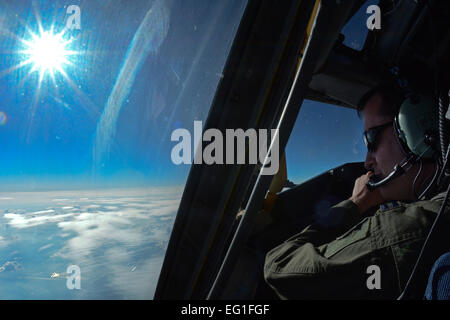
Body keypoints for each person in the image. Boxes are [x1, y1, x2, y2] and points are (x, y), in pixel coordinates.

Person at [263, 85, 449, 299]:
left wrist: (356, 203)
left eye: (371, 140)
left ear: (419, 133)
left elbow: (278, 267)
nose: (367, 162)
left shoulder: (404, 231)